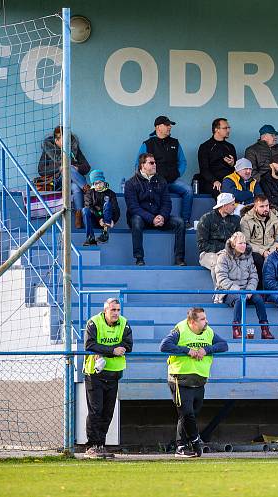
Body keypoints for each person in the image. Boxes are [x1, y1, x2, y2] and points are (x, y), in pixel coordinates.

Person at [160, 307, 228, 458]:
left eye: (205, 318)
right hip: (180, 379)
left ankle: (182, 446)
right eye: (202, 319)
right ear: (192, 322)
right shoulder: (180, 329)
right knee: (187, 413)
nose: (206, 321)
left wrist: (207, 350)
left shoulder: (208, 332)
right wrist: (187, 350)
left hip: (199, 381)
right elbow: (164, 345)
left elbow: (224, 345)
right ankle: (194, 442)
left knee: (189, 415)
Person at [82, 298, 132, 459]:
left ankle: (100, 445)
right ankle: (92, 446)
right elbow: (89, 345)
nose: (116, 313)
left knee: (108, 412)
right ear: (105, 311)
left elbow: (129, 345)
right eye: (113, 310)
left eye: (118, 310)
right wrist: (112, 350)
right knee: (96, 410)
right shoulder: (93, 323)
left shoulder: (124, 323)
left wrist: (119, 348)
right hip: (95, 373)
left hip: (114, 374)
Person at [124, 153, 185, 266]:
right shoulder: (130, 183)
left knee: (180, 222)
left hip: (158, 218)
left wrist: (162, 216)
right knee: (136, 220)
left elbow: (167, 203)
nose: (155, 165)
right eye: (151, 163)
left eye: (155, 162)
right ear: (142, 165)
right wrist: (152, 218)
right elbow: (133, 208)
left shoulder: (161, 180)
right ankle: (139, 259)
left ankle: (179, 259)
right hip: (142, 219)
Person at [214, 232, 272, 339]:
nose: (243, 246)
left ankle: (265, 329)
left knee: (259, 299)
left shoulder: (248, 257)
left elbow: (254, 276)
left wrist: (249, 290)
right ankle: (236, 329)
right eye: (240, 243)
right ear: (233, 245)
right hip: (228, 291)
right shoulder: (223, 257)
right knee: (239, 299)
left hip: (246, 290)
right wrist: (238, 290)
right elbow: (221, 278)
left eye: (245, 243)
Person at [38, 126, 91, 228]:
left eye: (68, 140)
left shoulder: (74, 150)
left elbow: (87, 167)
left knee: (75, 186)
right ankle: (88, 190)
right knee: (67, 167)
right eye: (64, 140)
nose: (67, 143)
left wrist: (77, 168)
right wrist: (60, 167)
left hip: (72, 183)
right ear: (56, 140)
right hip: (57, 182)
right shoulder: (48, 151)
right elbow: (41, 170)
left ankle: (78, 216)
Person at [197, 192, 240, 284]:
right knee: (219, 264)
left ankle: (241, 292)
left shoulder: (236, 220)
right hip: (208, 253)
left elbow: (239, 239)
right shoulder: (206, 219)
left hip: (230, 252)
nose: (234, 207)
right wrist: (223, 249)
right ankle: (220, 294)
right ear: (224, 206)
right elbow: (202, 244)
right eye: (232, 204)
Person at [240, 195, 278, 285]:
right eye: (262, 206)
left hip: (272, 249)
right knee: (258, 260)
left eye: (267, 206)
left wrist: (271, 251)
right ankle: (260, 290)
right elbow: (246, 242)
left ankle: (277, 288)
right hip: (255, 250)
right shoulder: (246, 220)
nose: (265, 209)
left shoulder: (275, 217)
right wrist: (262, 251)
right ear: (255, 207)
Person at [196, 117, 237, 196]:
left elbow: (236, 169)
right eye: (225, 128)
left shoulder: (230, 147)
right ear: (216, 129)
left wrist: (232, 164)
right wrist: (214, 181)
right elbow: (204, 170)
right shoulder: (205, 147)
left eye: (229, 128)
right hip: (211, 181)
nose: (228, 130)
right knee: (221, 193)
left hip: (228, 180)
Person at [82, 169, 120, 246]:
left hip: (106, 220)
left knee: (108, 204)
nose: (98, 185)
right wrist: (99, 218)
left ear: (104, 182)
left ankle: (105, 234)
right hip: (95, 219)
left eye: (100, 182)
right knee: (85, 210)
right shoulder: (90, 193)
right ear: (93, 184)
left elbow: (116, 210)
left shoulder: (111, 193)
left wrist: (113, 220)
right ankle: (90, 238)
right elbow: (89, 206)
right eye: (95, 183)